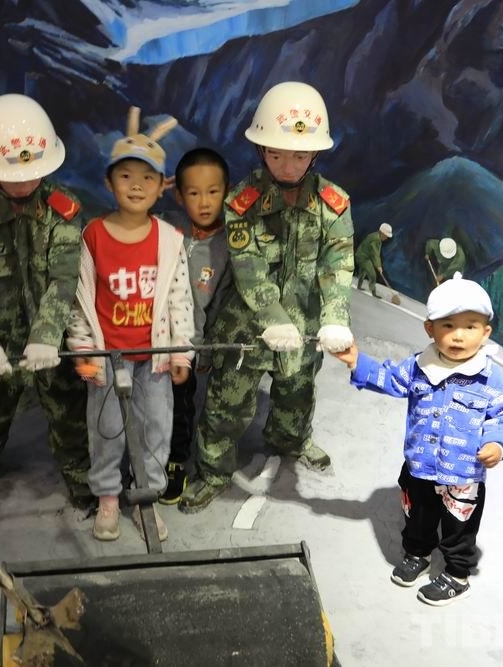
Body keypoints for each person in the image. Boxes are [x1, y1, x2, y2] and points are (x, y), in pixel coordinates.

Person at [179, 81, 355, 513]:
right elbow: (247, 266)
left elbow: (337, 264)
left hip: (305, 321)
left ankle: (291, 441)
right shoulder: (242, 202)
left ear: (315, 155)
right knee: (227, 403)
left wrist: (335, 317)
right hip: (247, 324)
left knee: (297, 391)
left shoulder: (333, 204)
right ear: (261, 150)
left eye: (299, 155)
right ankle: (213, 471)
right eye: (276, 154)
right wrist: (272, 316)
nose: (288, 165)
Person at [331, 273, 503, 606]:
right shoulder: (419, 366)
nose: (459, 335)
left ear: (485, 332)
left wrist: (497, 443)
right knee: (417, 517)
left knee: (459, 528)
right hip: (419, 465)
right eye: (448, 326)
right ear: (430, 329)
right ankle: (417, 554)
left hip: (461, 476)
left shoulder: (490, 377)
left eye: (470, 326)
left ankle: (457, 575)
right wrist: (357, 362)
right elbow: (391, 378)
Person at [0, 94, 93, 509]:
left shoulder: (64, 211)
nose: (25, 184)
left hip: (51, 337)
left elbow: (63, 278)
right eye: (13, 177)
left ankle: (80, 476)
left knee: (67, 411)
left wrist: (46, 335)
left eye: (34, 173)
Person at [67, 106, 195, 541]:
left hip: (154, 358)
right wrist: (83, 351)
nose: (136, 185)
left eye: (147, 177)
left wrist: (181, 352)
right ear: (109, 183)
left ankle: (146, 498)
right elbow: (80, 300)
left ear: (162, 186)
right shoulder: (93, 236)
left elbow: (179, 300)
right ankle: (107, 497)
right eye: (125, 175)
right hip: (108, 357)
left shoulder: (169, 240)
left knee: (155, 428)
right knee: (106, 429)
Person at [159, 147, 233, 505]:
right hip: (149, 337)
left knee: (180, 405)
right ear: (178, 195)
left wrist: (202, 346)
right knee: (144, 404)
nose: (204, 202)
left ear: (226, 192)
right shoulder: (164, 227)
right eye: (193, 192)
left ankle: (176, 461)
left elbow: (218, 301)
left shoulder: (230, 244)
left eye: (213, 191)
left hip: (186, 344)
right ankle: (143, 461)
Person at [354, 222, 392, 298]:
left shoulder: (376, 236)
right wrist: (378, 266)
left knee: (363, 271)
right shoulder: (376, 239)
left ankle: (359, 286)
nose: (386, 238)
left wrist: (377, 264)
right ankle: (373, 292)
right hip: (363, 257)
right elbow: (375, 254)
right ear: (382, 233)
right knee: (372, 275)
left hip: (362, 255)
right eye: (386, 236)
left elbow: (373, 253)